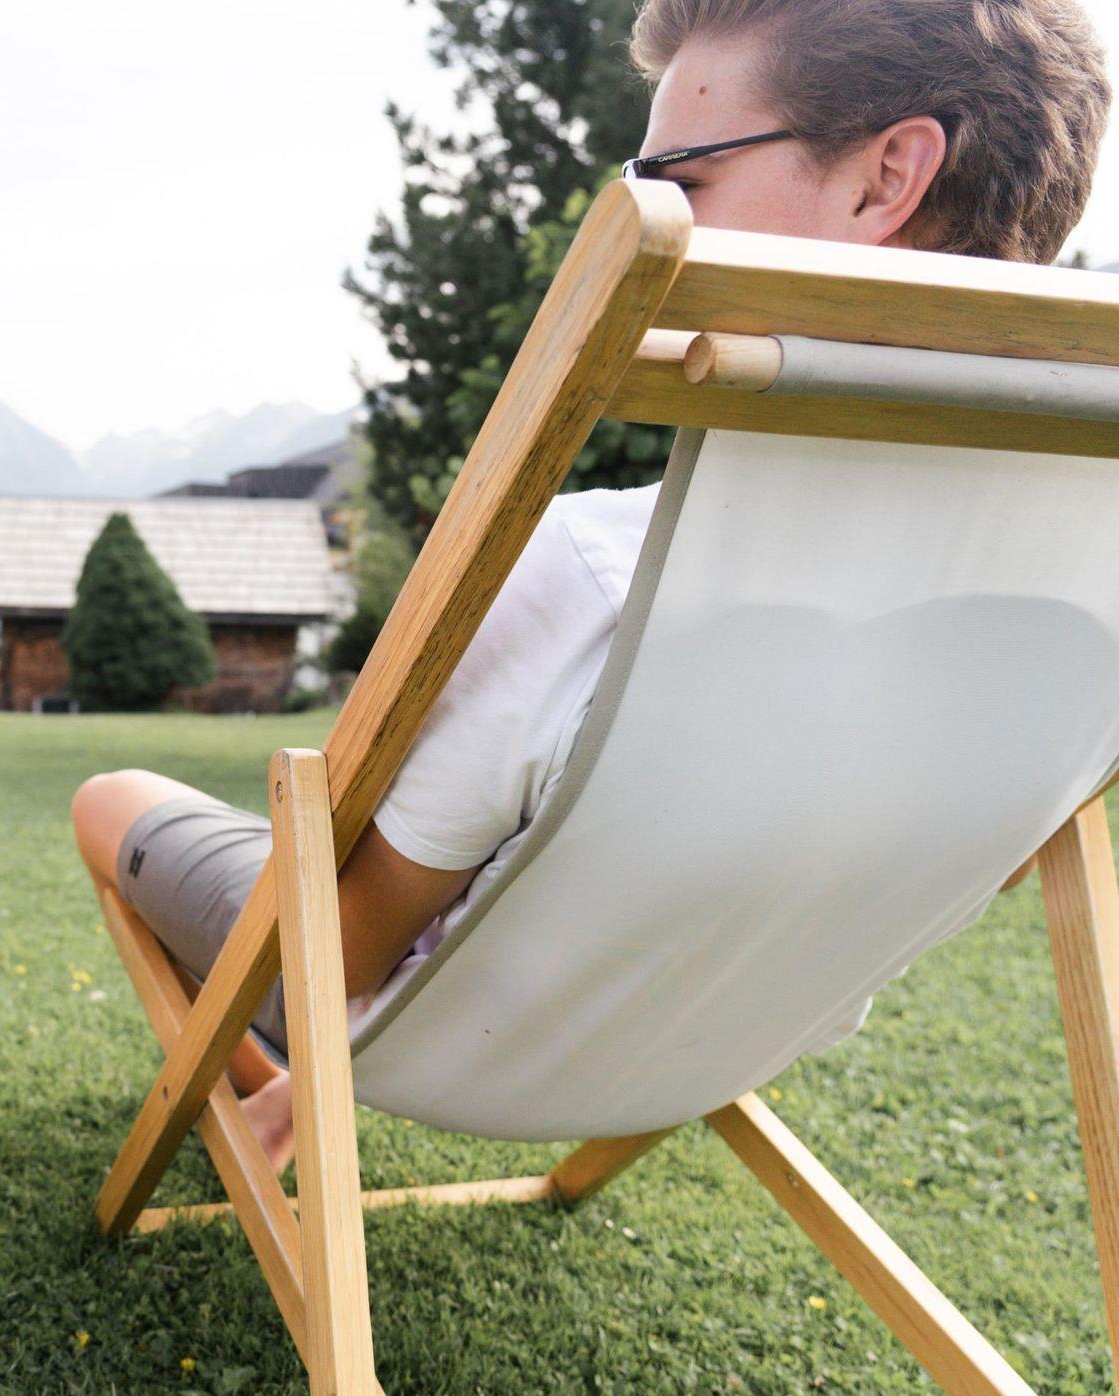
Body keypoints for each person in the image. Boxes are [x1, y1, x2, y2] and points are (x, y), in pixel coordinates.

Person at [73, 0, 1113, 1169]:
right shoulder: (1086, 593)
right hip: (736, 1029)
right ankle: (278, 1106)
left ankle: (272, 1094)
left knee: (111, 796)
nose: (646, 204)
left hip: (448, 1044)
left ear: (886, 179)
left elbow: (344, 953)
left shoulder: (599, 572)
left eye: (677, 177)